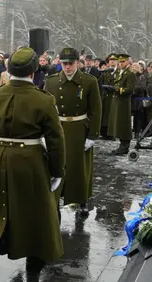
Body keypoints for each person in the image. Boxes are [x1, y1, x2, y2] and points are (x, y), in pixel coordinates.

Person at [0, 47, 66, 282]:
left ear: (9, 70)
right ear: (33, 72)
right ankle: (34, 259)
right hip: (30, 161)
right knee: (35, 210)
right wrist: (57, 170)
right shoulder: (44, 100)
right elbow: (56, 140)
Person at [44, 47, 102, 216]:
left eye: (71, 63)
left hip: (79, 129)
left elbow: (96, 110)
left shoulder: (89, 81)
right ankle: (56, 199)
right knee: (56, 164)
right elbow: (46, 108)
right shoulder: (52, 81)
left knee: (80, 167)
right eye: (64, 63)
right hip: (58, 127)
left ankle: (82, 200)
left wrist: (93, 134)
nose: (67, 67)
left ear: (78, 62)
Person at [107, 54, 136, 155]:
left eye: (123, 62)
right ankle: (122, 145)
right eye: (119, 62)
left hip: (123, 102)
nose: (120, 64)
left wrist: (116, 89)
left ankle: (125, 146)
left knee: (124, 124)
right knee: (118, 123)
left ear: (128, 61)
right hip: (118, 101)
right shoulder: (120, 72)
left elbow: (130, 89)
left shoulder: (130, 73)